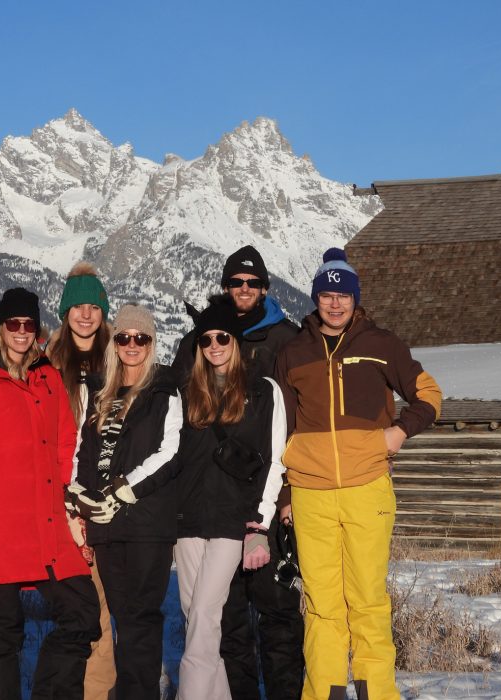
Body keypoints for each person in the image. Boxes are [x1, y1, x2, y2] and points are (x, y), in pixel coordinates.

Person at [276, 249, 442, 700]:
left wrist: (399, 433)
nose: (335, 304)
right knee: (321, 605)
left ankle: (378, 693)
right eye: (327, 295)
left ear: (355, 299)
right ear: (316, 298)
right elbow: (281, 428)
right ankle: (324, 692)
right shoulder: (292, 352)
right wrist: (284, 495)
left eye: (343, 295)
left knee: (367, 601)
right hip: (310, 492)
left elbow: (429, 393)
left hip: (367, 487)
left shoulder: (381, 344)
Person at [0, 287, 100, 700]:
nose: (22, 332)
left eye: (30, 324)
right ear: (0, 326)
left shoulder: (46, 375)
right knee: (0, 629)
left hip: (46, 519)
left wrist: (67, 500)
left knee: (81, 613)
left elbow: (66, 438)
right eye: (14, 324)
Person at [172, 244, 303, 700]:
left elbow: (292, 428)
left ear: (264, 288)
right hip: (207, 507)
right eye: (235, 282)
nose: (243, 288)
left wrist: (281, 503)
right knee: (223, 620)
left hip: (262, 504)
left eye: (251, 282)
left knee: (277, 611)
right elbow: (176, 431)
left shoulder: (286, 339)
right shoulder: (197, 347)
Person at [70, 304, 182, 700]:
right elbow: (80, 449)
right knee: (117, 619)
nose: (132, 345)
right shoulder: (99, 390)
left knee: (140, 622)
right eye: (124, 338)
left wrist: (124, 489)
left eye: (141, 338)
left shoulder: (166, 388)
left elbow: (170, 450)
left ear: (151, 343)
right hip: (104, 524)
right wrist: (77, 494)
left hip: (147, 524)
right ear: (115, 343)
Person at [45, 262, 116, 700]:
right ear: (65, 311)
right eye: (78, 306)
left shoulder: (120, 357)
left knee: (106, 611)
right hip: (61, 502)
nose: (86, 315)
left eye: (94, 306)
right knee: (76, 610)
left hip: (110, 501)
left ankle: (97, 693)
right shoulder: (47, 363)